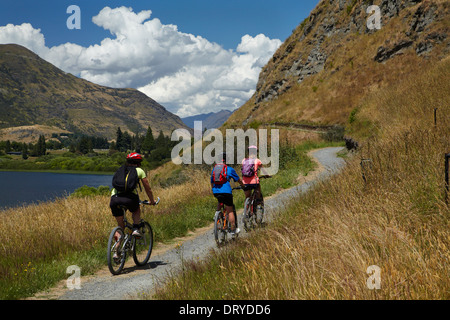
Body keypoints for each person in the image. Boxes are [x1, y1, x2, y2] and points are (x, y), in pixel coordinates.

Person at [109, 152, 157, 239]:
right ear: (138, 163)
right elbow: (147, 188)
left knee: (120, 226)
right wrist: (152, 200)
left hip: (115, 199)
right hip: (129, 198)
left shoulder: (121, 169)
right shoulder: (139, 170)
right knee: (136, 210)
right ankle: (135, 229)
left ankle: (116, 251)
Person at [211, 152, 245, 235]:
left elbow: (211, 182)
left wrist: (214, 190)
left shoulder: (214, 169)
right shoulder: (229, 169)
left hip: (216, 191)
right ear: (227, 160)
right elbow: (238, 180)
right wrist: (243, 186)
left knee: (220, 199)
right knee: (230, 210)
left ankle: (217, 214)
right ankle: (233, 230)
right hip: (226, 192)